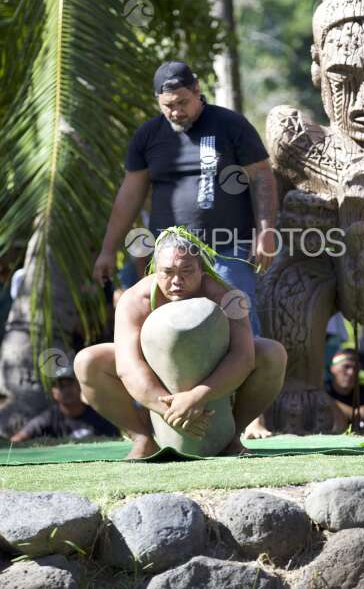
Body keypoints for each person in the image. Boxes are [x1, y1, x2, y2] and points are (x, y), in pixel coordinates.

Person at [93, 61, 277, 339]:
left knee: (240, 321)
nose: (176, 111)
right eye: (168, 105)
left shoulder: (230, 125)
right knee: (162, 330)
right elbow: (129, 195)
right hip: (169, 258)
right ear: (157, 101)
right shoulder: (148, 136)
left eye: (183, 102)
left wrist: (266, 231)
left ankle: (251, 379)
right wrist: (108, 249)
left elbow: (262, 177)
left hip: (226, 250)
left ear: (197, 90)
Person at [75, 229, 287, 459]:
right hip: (156, 379)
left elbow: (243, 357)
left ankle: (231, 437)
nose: (177, 281)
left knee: (272, 353)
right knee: (87, 361)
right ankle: (143, 438)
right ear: (156, 271)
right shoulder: (135, 300)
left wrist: (196, 396)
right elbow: (129, 366)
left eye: (187, 271)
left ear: (202, 270)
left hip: (215, 375)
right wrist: (174, 410)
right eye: (167, 272)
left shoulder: (227, 296)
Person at [10, 366, 119, 442]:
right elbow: (18, 438)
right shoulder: (49, 417)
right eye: (61, 386)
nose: (66, 390)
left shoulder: (99, 415)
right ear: (53, 393)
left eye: (70, 384)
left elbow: (116, 439)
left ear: (79, 386)